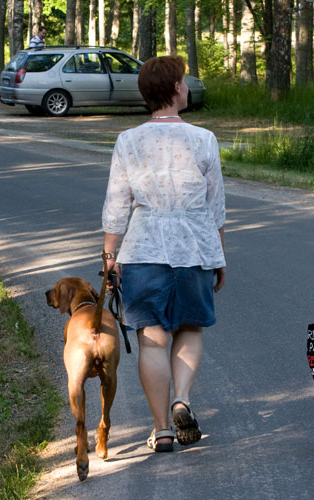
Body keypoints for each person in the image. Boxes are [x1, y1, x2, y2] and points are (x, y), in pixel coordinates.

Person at [101, 55, 226, 453]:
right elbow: (215, 206)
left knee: (153, 340)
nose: (187, 87)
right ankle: (181, 400)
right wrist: (218, 255)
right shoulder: (204, 139)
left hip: (142, 250)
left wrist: (109, 256)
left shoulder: (128, 141)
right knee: (189, 329)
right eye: (184, 82)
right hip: (194, 249)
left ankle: (162, 429)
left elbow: (117, 204)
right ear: (175, 89)